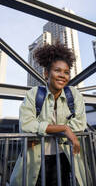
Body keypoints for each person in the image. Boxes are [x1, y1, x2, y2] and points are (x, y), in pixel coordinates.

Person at [10, 42, 87, 186]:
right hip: (35, 159)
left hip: (63, 156)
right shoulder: (34, 94)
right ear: (46, 73)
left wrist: (42, 130)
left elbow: (80, 124)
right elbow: (26, 125)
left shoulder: (74, 94)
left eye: (66, 72)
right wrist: (64, 129)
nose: (62, 76)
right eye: (57, 70)